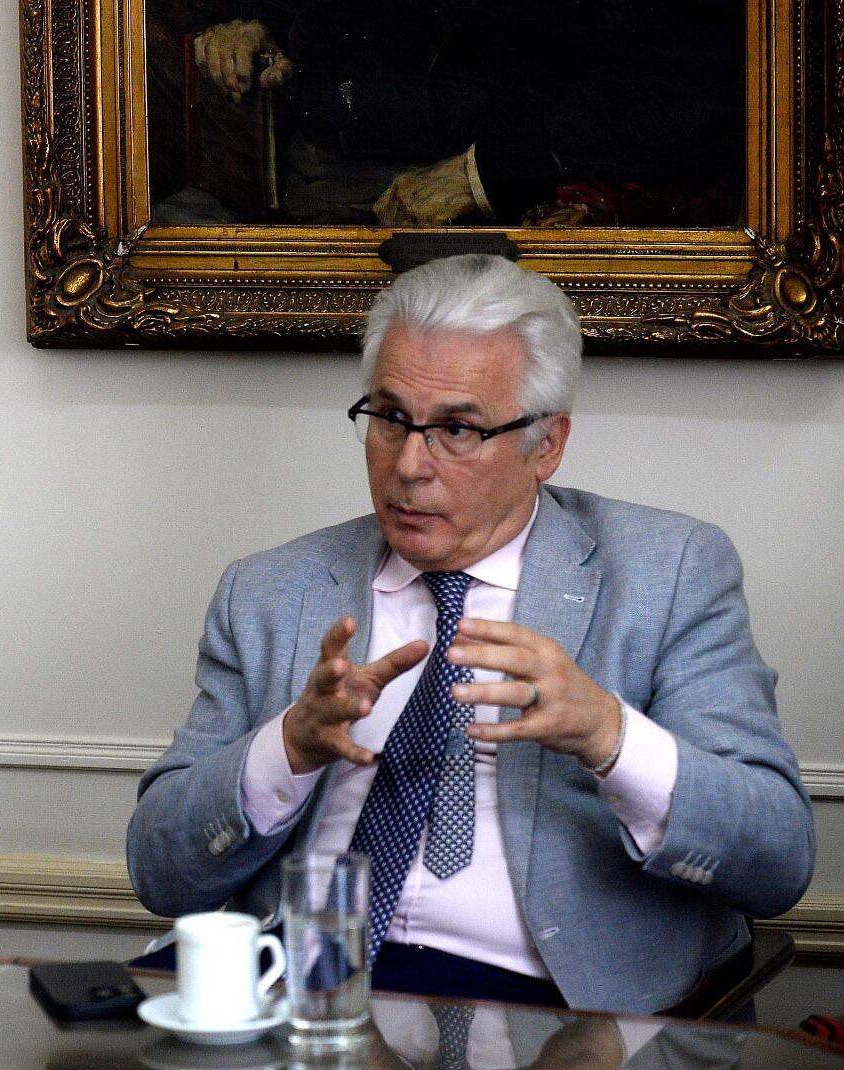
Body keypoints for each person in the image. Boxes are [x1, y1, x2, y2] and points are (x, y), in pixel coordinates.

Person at [125, 254, 813, 1015]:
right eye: (389, 418)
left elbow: (777, 860)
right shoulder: (270, 590)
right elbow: (161, 872)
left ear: (546, 444)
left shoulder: (670, 572)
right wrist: (285, 748)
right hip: (306, 997)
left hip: (556, 1013)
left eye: (456, 429)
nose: (409, 466)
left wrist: (609, 734)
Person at [171, 0, 743, 226]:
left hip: (504, 203)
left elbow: (687, 86)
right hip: (311, 182)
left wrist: (485, 173)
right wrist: (247, 18)